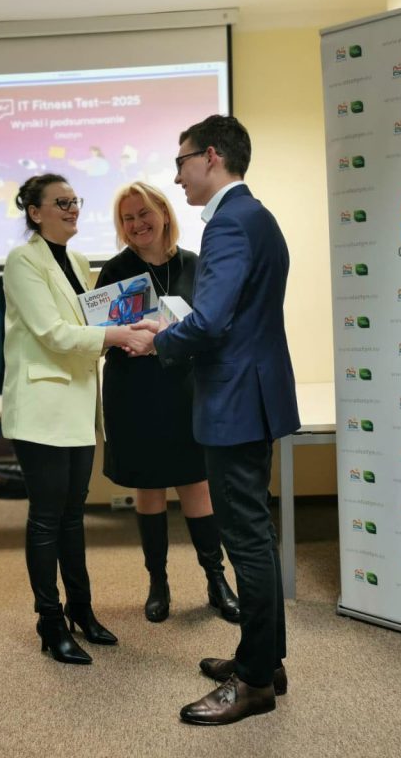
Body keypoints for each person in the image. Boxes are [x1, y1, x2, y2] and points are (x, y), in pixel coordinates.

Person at [128, 116, 299, 725]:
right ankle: (266, 660)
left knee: (247, 541)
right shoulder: (256, 216)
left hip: (234, 402)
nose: (176, 176)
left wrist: (159, 339)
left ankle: (252, 683)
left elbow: (213, 320)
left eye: (181, 162)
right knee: (257, 537)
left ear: (211, 156)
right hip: (253, 395)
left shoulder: (228, 222)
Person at [2, 173, 152, 665]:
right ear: (35, 212)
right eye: (61, 202)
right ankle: (50, 622)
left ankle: (81, 610)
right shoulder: (22, 260)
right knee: (47, 518)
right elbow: (53, 333)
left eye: (75, 201)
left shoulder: (79, 261)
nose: (72, 209)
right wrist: (119, 336)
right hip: (41, 408)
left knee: (72, 516)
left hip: (79, 406)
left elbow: (88, 324)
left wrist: (124, 327)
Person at [96, 182, 239, 625]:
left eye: (144, 213)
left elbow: (213, 326)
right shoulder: (115, 271)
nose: (137, 224)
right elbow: (98, 337)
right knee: (149, 487)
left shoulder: (195, 264)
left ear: (163, 212)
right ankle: (158, 584)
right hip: (134, 392)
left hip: (186, 389)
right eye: (127, 218)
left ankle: (216, 581)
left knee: (197, 484)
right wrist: (122, 337)